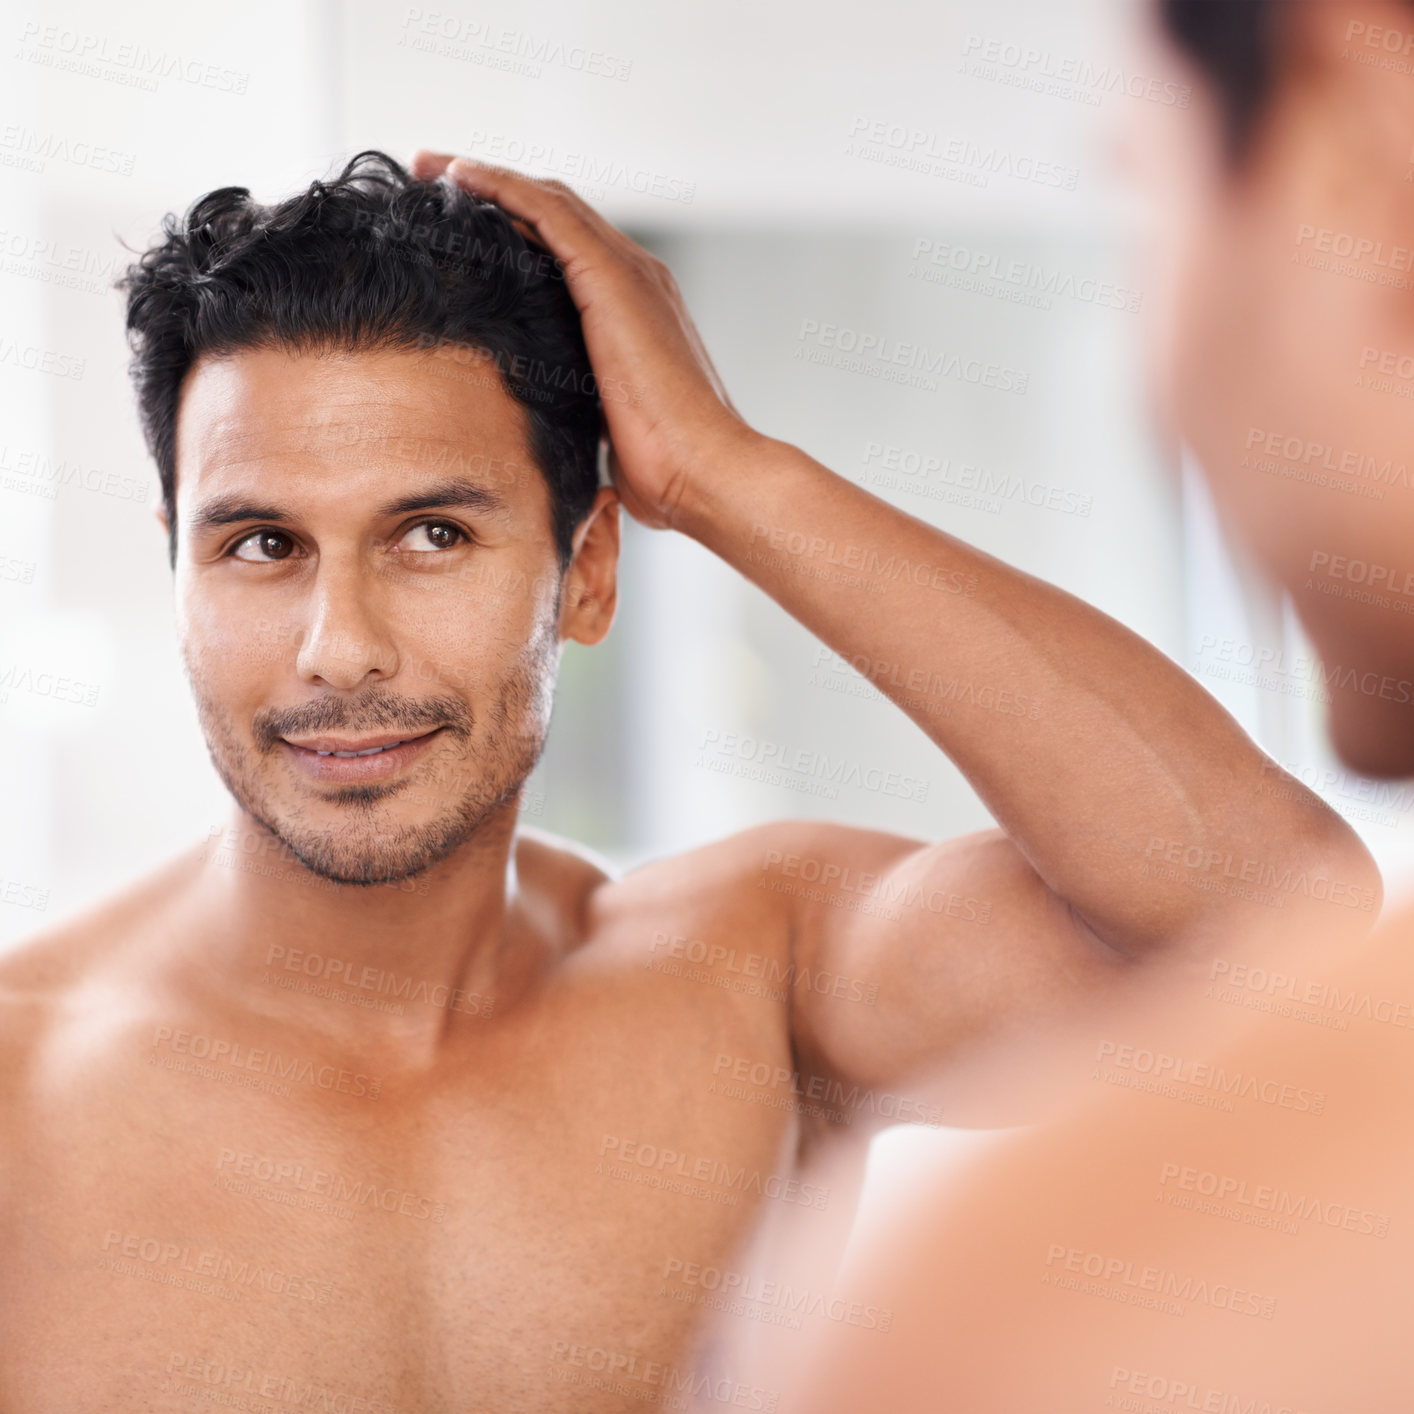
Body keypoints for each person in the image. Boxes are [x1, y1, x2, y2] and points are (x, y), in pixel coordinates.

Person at [0, 143, 1375, 1411]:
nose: (337, 646)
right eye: (259, 546)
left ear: (586, 569)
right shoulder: (23, 1088)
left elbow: (1272, 914)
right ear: (176, 571)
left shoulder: (754, 974)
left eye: (429, 533)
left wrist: (727, 473)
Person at [751, 0, 1414, 1409]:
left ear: (1355, 150)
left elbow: (1251, 902)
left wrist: (728, 476)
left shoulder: (1056, 1308)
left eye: (1144, 189)